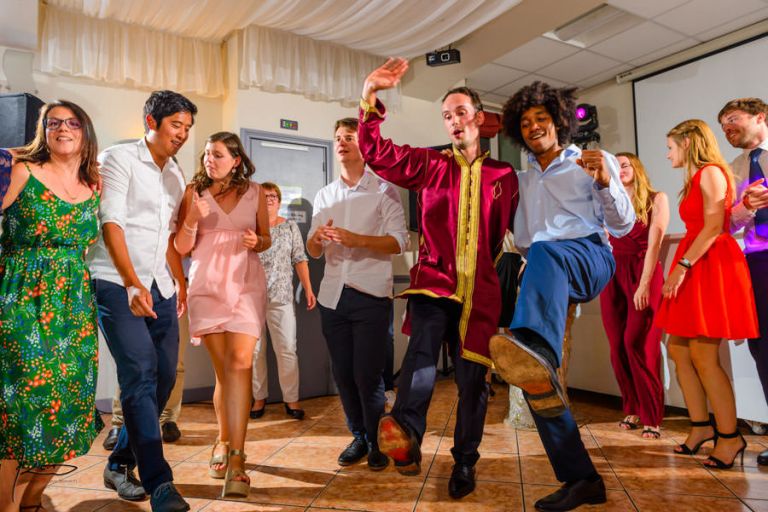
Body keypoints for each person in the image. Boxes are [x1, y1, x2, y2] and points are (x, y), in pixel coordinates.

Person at [357, 58, 518, 499]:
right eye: (446, 115)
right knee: (422, 355)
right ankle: (407, 434)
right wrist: (370, 94)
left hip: (480, 294)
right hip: (435, 282)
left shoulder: (504, 176)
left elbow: (504, 234)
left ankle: (465, 461)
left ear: (479, 119)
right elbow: (377, 153)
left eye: (461, 112)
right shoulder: (430, 164)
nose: (453, 121)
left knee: (473, 385)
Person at [491, 81, 635, 511]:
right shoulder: (518, 180)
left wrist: (607, 182)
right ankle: (581, 477)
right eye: (525, 122)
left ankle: (536, 351)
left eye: (541, 118)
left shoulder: (590, 161)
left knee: (548, 253)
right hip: (541, 271)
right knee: (538, 382)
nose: (534, 126)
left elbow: (623, 225)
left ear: (557, 121)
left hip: (589, 257)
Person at [88, 90, 196, 512]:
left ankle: (118, 462)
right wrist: (132, 282)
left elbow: (168, 238)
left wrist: (179, 281)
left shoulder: (176, 175)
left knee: (164, 378)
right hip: (116, 282)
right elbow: (110, 220)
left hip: (162, 286)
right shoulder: (118, 159)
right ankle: (160, 482)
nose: (183, 135)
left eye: (187, 128)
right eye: (176, 126)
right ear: (151, 122)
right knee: (140, 373)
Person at [0, 101, 102, 512]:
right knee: (16, 405)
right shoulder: (20, 168)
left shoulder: (95, 184)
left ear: (85, 130)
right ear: (43, 130)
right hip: (21, 298)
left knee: (70, 401)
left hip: (73, 306)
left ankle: (32, 499)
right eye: (53, 122)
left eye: (72, 122)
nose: (62, 128)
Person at [655, 119, 759, 469]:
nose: (667, 153)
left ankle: (730, 437)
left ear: (687, 142)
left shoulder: (712, 171)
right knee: (678, 349)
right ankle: (701, 427)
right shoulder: (696, 178)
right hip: (695, 259)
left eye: (670, 146)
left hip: (708, 263)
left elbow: (715, 226)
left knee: (703, 354)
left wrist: (682, 266)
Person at [307, 116, 408, 474]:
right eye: (337, 137)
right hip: (332, 296)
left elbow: (400, 241)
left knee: (369, 376)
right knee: (344, 374)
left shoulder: (384, 190)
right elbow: (314, 250)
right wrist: (316, 240)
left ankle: (377, 437)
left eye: (349, 137)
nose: (341, 142)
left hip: (370, 295)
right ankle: (360, 437)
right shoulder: (324, 194)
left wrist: (356, 239)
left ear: (363, 144)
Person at [174, 131, 270, 498]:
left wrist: (255, 242)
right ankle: (222, 438)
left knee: (241, 364)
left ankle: (238, 459)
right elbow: (181, 246)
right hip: (207, 286)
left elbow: (265, 238)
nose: (208, 161)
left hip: (246, 283)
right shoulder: (192, 193)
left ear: (235, 158)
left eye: (216, 154)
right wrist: (193, 220)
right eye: (205, 155)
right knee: (224, 373)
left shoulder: (256, 191)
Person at [599, 152, 668, 439]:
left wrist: (643, 283)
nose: (621, 170)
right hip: (612, 275)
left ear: (636, 168)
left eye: (625, 165)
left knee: (637, 344)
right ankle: (633, 408)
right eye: (616, 166)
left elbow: (655, 245)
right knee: (617, 346)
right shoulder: (609, 203)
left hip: (643, 272)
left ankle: (652, 416)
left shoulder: (656, 198)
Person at [718, 98, 768, 465]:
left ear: (760, 117)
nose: (727, 128)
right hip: (756, 263)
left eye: (733, 119)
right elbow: (731, 225)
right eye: (722, 124)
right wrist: (746, 208)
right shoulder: (733, 169)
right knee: (763, 350)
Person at [249, 182, 315, 420]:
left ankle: (292, 400)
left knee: (287, 349)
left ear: (279, 201)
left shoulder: (289, 227)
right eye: (264, 196)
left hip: (282, 297)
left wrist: (307, 289)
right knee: (255, 352)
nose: (269, 199)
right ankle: (259, 398)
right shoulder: (251, 228)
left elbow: (300, 258)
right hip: (251, 298)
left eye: (273, 196)